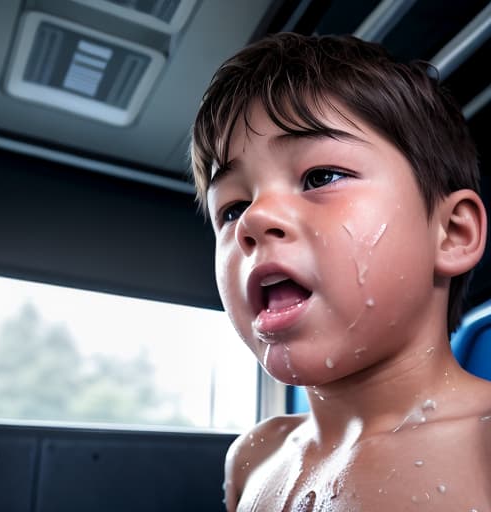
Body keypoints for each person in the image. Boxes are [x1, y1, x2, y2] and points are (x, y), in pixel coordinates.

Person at [190, 33, 490, 511]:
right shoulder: (254, 456)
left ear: (451, 234)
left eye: (320, 177)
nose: (254, 219)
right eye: (231, 208)